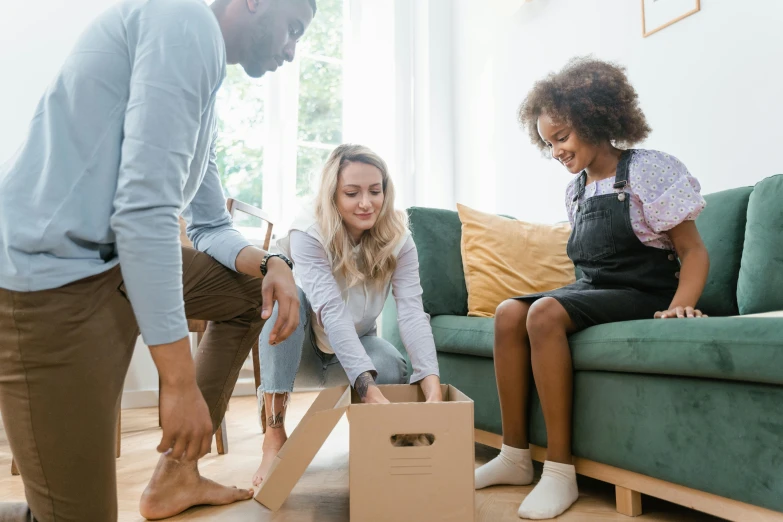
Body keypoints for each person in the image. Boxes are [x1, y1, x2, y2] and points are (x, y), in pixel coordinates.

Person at [0, 0, 317, 520]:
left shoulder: (205, 81)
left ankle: (177, 477)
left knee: (245, 294)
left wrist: (272, 263)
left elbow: (209, 224)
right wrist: (177, 382)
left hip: (109, 268)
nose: (291, 49)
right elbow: (144, 211)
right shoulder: (183, 22)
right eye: (293, 29)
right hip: (48, 281)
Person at [473, 57, 710, 520]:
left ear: (597, 119)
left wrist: (681, 306)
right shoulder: (576, 190)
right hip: (597, 289)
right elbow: (590, 273)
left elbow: (694, 252)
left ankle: (560, 471)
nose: (557, 151)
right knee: (507, 312)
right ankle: (515, 455)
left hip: (646, 291)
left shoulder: (650, 169)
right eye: (548, 143)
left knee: (541, 312)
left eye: (562, 137)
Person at [251, 144, 442, 486]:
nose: (366, 203)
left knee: (392, 364)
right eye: (352, 193)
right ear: (333, 194)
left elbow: (412, 312)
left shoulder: (399, 238)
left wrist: (432, 384)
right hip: (301, 351)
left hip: (354, 348)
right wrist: (368, 390)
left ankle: (370, 440)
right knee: (284, 302)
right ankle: (274, 434)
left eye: (375, 191)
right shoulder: (308, 230)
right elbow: (331, 312)